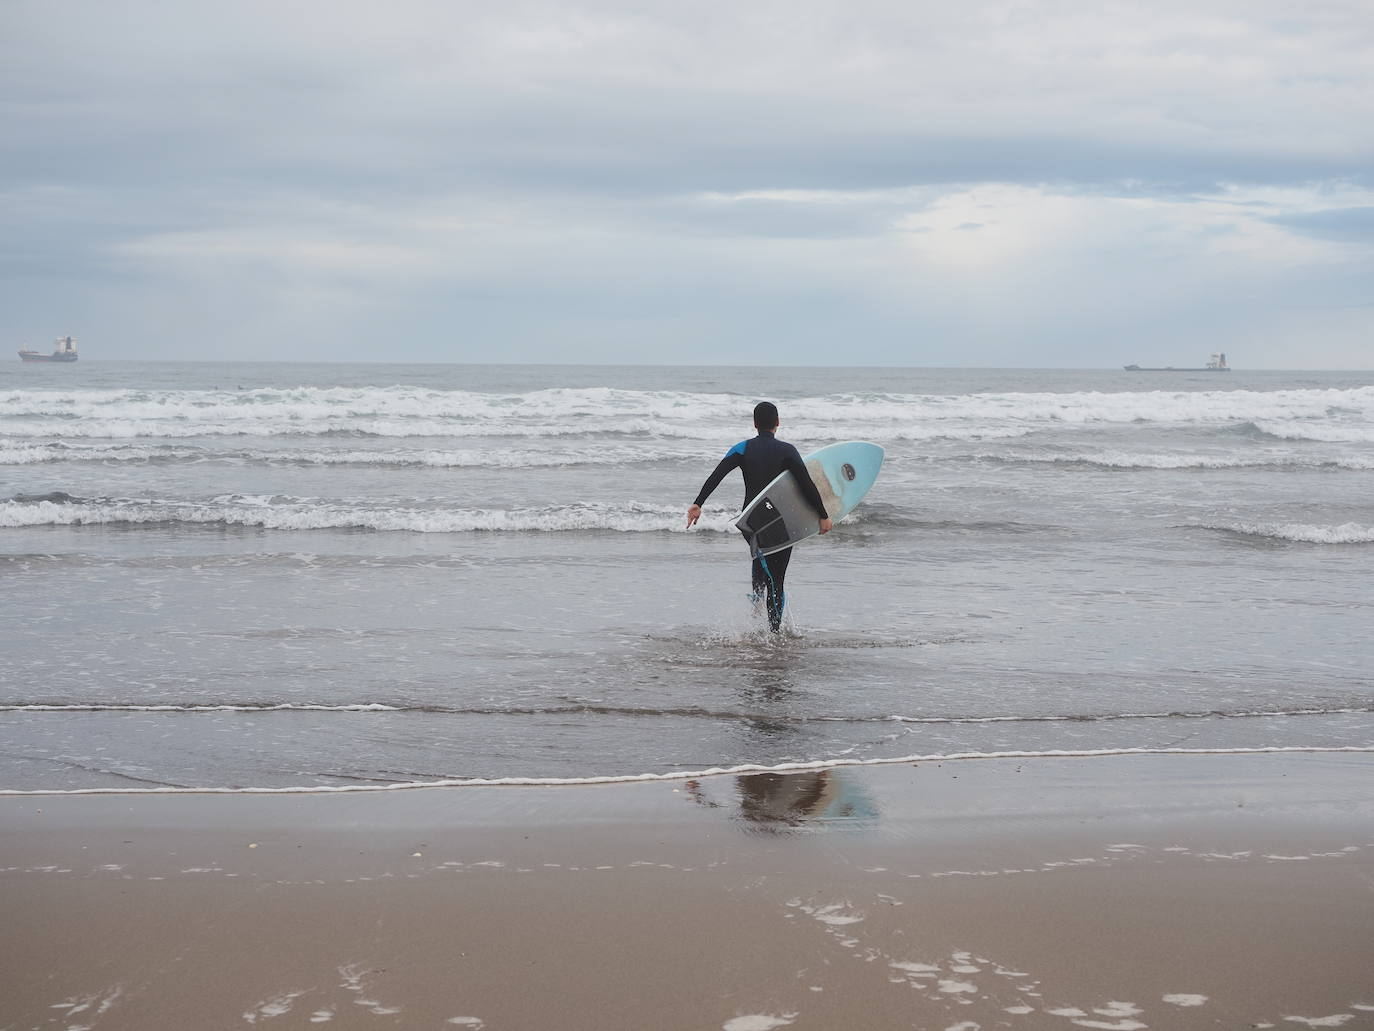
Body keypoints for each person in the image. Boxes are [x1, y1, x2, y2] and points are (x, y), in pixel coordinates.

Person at [686, 401, 832, 632]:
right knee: (778, 577)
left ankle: (756, 599)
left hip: (751, 519)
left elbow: (717, 475)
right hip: (779, 520)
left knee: (759, 554)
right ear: (778, 423)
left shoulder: (742, 448)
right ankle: (774, 632)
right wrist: (823, 515)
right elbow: (807, 484)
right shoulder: (787, 450)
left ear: (755, 424)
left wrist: (698, 503)